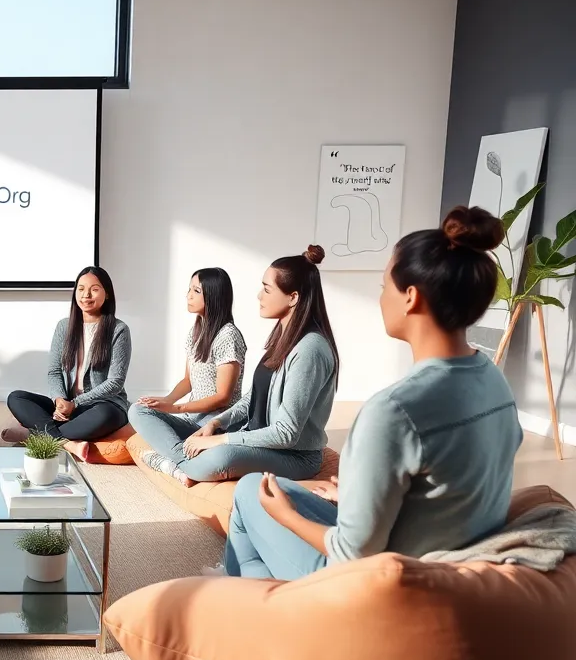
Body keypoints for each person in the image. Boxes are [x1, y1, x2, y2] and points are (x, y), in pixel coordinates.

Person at [222, 207, 523, 580]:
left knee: (250, 492)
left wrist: (286, 517)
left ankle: (255, 595)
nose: (381, 298)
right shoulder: (494, 380)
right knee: (267, 486)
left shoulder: (394, 410)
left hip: (381, 580)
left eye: (384, 287)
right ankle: (254, 586)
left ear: (410, 297)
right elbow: (450, 485)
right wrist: (356, 495)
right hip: (440, 557)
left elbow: (352, 555)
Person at [130, 246, 338, 485]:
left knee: (221, 457)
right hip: (254, 438)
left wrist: (219, 439)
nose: (259, 296)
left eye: (267, 289)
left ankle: (171, 462)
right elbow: (251, 399)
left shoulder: (310, 349)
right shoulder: (283, 338)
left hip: (294, 456)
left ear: (293, 297)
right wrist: (216, 423)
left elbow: (286, 433)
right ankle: (182, 462)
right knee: (138, 411)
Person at [3, 266, 132, 458]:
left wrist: (76, 403)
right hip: (67, 407)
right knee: (16, 398)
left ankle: (34, 434)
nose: (86, 295)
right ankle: (67, 443)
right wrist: (59, 401)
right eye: (81, 289)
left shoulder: (118, 330)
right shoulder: (64, 326)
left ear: (107, 294)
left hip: (103, 405)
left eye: (94, 289)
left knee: (105, 415)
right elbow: (54, 371)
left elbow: (115, 382)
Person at [132, 268, 247, 476]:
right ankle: (181, 457)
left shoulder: (228, 335)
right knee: (138, 410)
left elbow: (223, 396)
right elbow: (188, 380)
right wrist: (165, 401)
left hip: (215, 424)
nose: (188, 296)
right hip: (191, 419)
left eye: (196, 291)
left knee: (155, 431)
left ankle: (177, 462)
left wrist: (175, 408)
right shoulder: (197, 330)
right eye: (189, 289)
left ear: (213, 296)